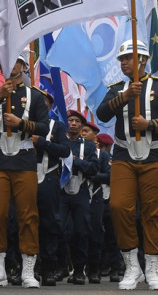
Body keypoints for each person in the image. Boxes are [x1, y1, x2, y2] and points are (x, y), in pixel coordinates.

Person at [97, 39, 158, 291]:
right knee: (118, 207)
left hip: (155, 155)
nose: (124, 62)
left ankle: (153, 268)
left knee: (153, 213)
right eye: (122, 59)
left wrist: (151, 125)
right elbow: (102, 114)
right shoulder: (116, 88)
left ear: (143, 60)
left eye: (128, 58)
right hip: (124, 155)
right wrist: (126, 96)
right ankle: (131, 265)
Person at [0, 53, 49, 289]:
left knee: (27, 215)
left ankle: (29, 270)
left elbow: (44, 127)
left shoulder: (35, 96)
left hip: (24, 157)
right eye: (6, 62)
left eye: (15, 61)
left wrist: (21, 124)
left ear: (23, 66)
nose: (10, 65)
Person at [34, 90, 71, 286]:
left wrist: (42, 143)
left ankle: (49, 266)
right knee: (21, 221)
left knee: (49, 223)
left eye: (44, 102)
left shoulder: (56, 126)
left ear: (49, 106)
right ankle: (27, 265)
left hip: (48, 178)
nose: (41, 104)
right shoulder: (23, 124)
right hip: (25, 176)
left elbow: (65, 150)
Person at [58, 110, 99, 285]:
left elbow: (94, 169)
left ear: (82, 126)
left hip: (81, 190)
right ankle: (60, 267)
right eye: (70, 120)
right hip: (60, 190)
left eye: (77, 121)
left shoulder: (88, 146)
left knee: (81, 231)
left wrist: (75, 161)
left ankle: (80, 269)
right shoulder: (59, 143)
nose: (73, 123)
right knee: (59, 229)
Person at [82, 119, 109, 284]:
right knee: (76, 232)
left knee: (95, 234)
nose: (83, 133)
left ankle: (94, 270)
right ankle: (78, 268)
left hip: (96, 197)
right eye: (82, 131)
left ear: (95, 135)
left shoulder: (102, 155)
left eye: (87, 131)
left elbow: (110, 174)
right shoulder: (76, 150)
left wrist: (94, 176)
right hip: (77, 194)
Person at [96, 132, 124, 282]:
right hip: (95, 199)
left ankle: (115, 268)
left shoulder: (111, 160)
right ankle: (98, 266)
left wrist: (96, 175)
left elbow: (112, 176)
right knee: (96, 236)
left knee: (112, 238)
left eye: (101, 145)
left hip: (110, 200)